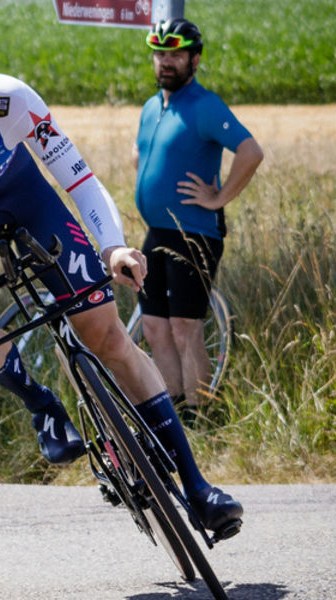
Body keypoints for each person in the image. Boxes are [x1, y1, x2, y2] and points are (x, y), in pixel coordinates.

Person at [0, 26, 242, 536]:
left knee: (108, 336)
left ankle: (198, 487)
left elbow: (76, 178)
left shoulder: (15, 100)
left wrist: (111, 246)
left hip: (24, 197)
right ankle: (42, 405)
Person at [132, 19, 263, 418]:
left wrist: (219, 196)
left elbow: (250, 152)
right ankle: (174, 415)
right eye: (159, 54)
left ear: (195, 59)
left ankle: (202, 415)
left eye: (175, 54)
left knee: (185, 328)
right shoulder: (153, 105)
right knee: (154, 328)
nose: (165, 62)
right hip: (157, 232)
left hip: (194, 233)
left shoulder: (205, 105)